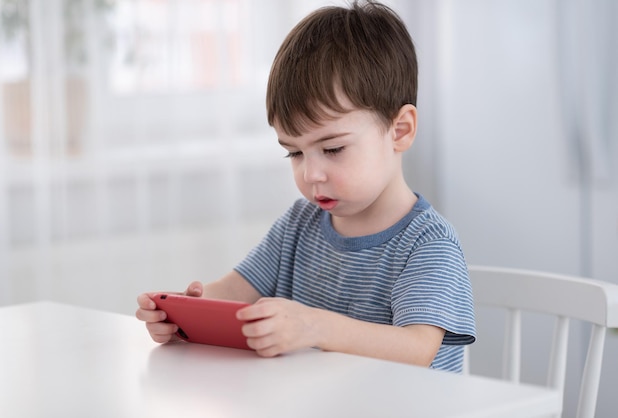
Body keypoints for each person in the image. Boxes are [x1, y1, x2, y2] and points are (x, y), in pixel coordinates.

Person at [136, 0, 475, 373]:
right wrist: (184, 311)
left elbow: (417, 349)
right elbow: (235, 290)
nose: (311, 174)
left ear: (400, 130)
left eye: (332, 149)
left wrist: (314, 326)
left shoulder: (428, 243)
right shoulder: (300, 225)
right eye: (294, 153)